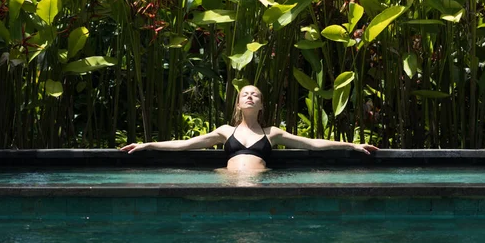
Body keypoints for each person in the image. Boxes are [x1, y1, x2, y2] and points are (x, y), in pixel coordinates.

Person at [120, 85, 378, 171]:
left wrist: (352, 145)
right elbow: (186, 144)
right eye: (245, 94)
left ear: (261, 105)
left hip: (261, 184)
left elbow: (312, 143)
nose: (250, 97)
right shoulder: (224, 131)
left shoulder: (272, 133)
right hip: (227, 182)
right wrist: (148, 144)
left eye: (255, 95)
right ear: (238, 103)